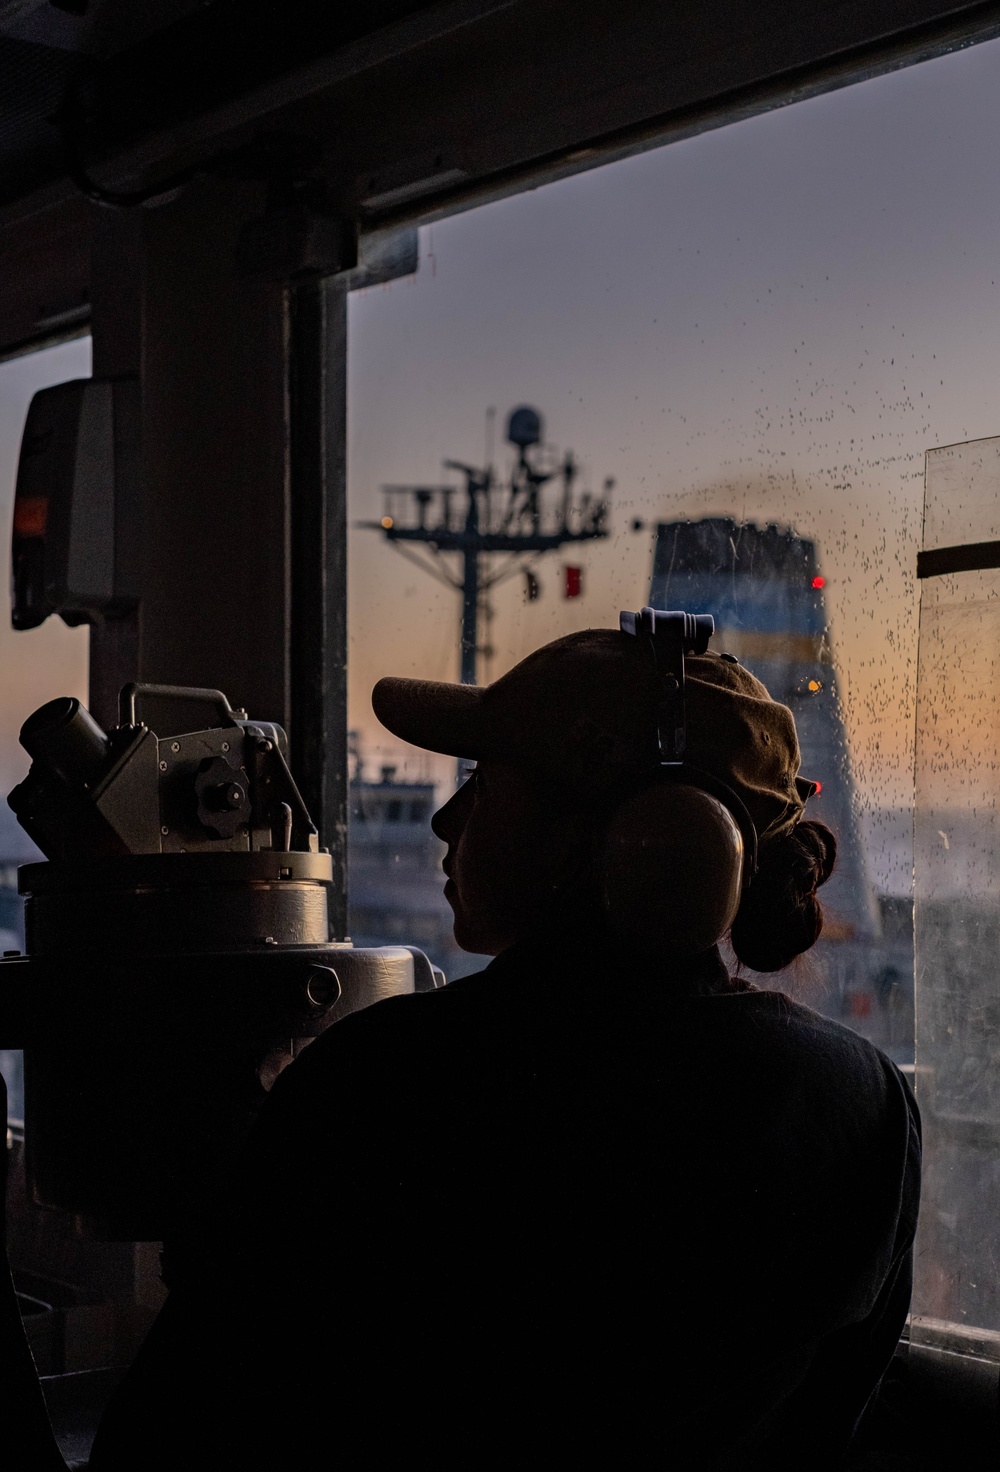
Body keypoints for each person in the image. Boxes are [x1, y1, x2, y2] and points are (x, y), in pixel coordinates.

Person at [90, 625, 920, 1470]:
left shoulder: (385, 1086)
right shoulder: (866, 1102)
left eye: (486, 786)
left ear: (627, 836)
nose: (447, 820)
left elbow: (165, 1437)